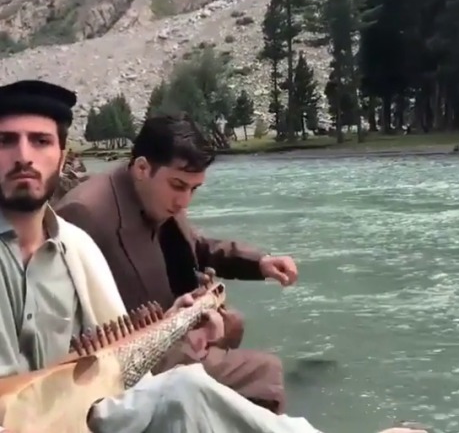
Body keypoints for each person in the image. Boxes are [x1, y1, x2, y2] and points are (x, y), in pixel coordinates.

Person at [0, 79, 427, 433]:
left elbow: (193, 252)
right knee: (191, 387)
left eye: (40, 141)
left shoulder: (73, 244)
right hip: (82, 402)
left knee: (227, 368)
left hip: (102, 391)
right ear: (143, 168)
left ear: (61, 154)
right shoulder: (87, 215)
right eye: (7, 141)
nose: (24, 157)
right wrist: (175, 332)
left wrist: (252, 267)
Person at [54, 113, 298, 413]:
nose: (185, 201)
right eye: (179, 186)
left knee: (234, 322)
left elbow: (195, 245)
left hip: (176, 331)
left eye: (193, 189)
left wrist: (260, 263)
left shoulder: (158, 194)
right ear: (142, 168)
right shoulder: (84, 214)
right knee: (265, 373)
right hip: (130, 367)